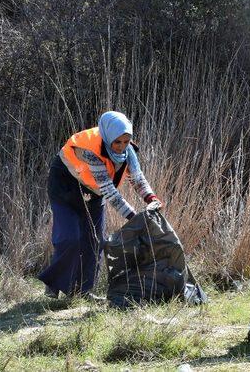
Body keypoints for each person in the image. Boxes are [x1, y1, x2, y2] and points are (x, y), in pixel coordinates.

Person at [38, 111, 162, 299]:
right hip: (65, 186)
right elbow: (110, 192)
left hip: (93, 190)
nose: (121, 147)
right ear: (108, 137)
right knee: (70, 238)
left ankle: (83, 291)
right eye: (117, 142)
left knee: (96, 241)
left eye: (126, 142)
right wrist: (134, 217)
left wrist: (151, 199)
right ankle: (53, 285)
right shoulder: (89, 150)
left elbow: (137, 179)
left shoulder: (127, 152)